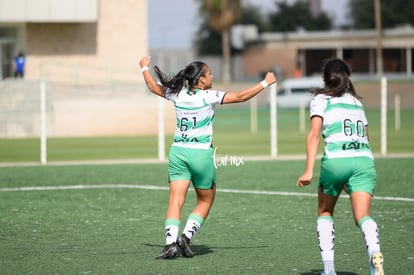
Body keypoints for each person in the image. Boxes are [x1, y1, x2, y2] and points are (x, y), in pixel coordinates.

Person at [139, 55, 276, 259]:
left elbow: (152, 86)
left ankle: (169, 244)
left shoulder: (177, 94)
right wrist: (265, 82)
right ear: (201, 79)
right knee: (205, 200)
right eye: (209, 73)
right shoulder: (208, 96)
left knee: (175, 200)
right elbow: (240, 97)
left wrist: (144, 68)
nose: (212, 76)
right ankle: (185, 237)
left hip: (178, 153)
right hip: (201, 154)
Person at [296, 58, 384, 275]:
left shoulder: (321, 99)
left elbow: (314, 136)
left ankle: (329, 270)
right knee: (363, 216)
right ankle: (374, 251)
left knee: (325, 211)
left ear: (325, 77)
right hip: (364, 160)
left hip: (337, 160)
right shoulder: (356, 102)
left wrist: (308, 170)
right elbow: (367, 136)